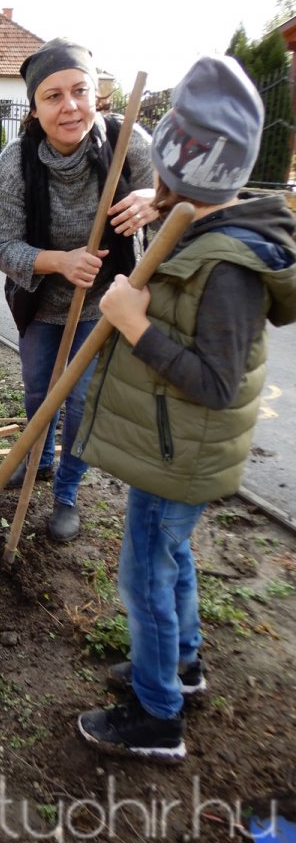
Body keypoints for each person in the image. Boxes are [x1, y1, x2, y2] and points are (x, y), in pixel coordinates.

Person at [75, 56, 296, 762]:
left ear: (179, 164)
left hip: (182, 449)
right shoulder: (201, 225)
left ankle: (157, 712)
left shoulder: (228, 264)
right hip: (178, 447)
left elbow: (216, 382)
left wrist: (134, 323)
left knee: (145, 571)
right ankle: (184, 666)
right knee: (170, 557)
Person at [0, 38, 156, 542]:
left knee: (80, 402)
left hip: (105, 305)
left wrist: (154, 199)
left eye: (79, 91)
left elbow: (178, 203)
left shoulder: (130, 145)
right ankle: (35, 457)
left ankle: (66, 493)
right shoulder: (15, 165)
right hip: (41, 304)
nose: (70, 106)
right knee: (41, 395)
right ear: (35, 109)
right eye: (53, 96)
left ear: (95, 93)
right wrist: (59, 261)